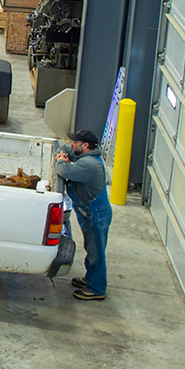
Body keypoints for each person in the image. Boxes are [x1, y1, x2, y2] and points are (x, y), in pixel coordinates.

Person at [54, 129, 112, 301]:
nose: (71, 145)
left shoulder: (88, 165)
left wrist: (60, 161)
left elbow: (64, 171)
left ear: (85, 146)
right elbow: (63, 148)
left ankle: (96, 288)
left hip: (96, 215)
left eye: (75, 143)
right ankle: (90, 279)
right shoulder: (85, 155)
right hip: (90, 212)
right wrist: (63, 155)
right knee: (91, 248)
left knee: (96, 252)